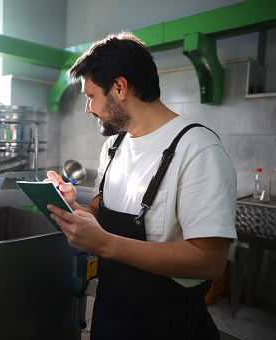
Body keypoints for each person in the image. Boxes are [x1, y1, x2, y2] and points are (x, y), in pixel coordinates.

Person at [46, 32, 237, 339]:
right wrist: (74, 208)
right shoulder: (114, 146)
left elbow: (211, 261)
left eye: (91, 96)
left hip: (168, 324)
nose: (88, 109)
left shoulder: (197, 148)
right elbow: (98, 212)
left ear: (119, 87)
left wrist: (105, 244)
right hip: (111, 315)